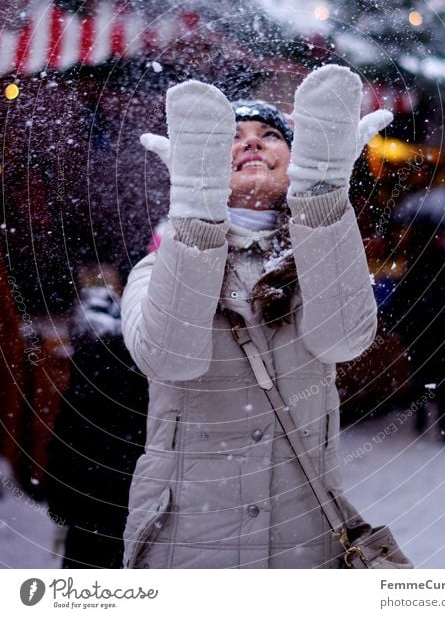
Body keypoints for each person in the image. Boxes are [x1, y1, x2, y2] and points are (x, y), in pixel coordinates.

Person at [121, 65, 392, 569]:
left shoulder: (318, 258)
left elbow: (343, 340)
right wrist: (196, 210)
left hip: (303, 537)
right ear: (197, 158)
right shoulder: (158, 266)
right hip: (190, 540)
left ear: (300, 157)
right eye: (231, 137)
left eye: (270, 135)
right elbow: (169, 357)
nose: (251, 144)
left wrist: (323, 195)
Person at [46, 267, 148, 568]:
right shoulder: (143, 360)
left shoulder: (89, 367)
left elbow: (66, 438)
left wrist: (60, 504)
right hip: (131, 494)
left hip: (90, 495)